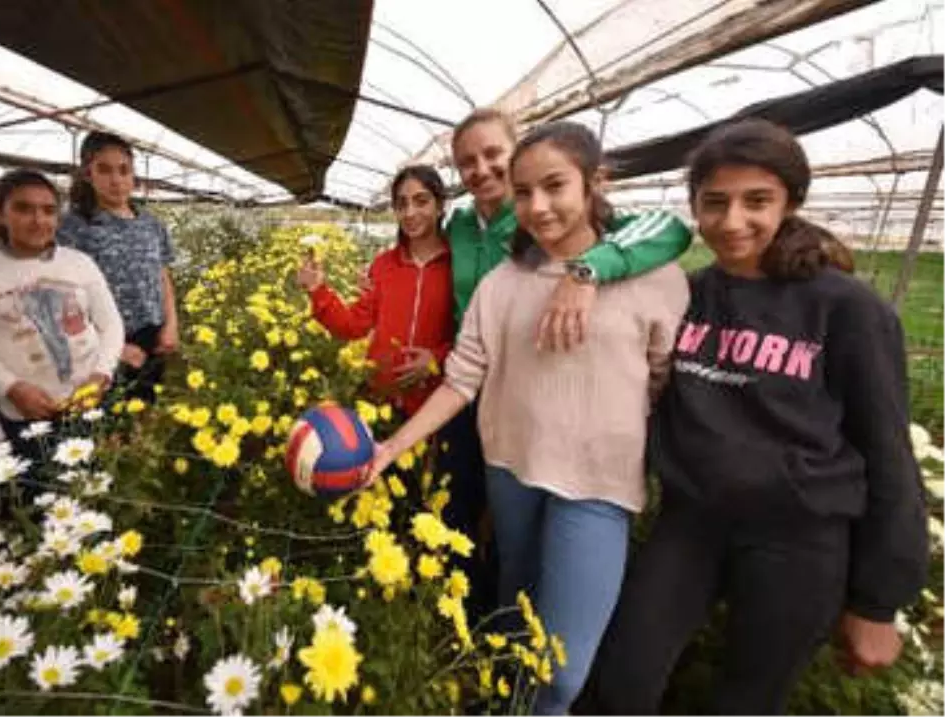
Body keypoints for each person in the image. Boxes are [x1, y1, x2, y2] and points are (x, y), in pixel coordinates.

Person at [590, 120, 929, 717]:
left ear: (791, 203)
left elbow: (888, 452)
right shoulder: (684, 293)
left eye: (757, 201)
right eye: (714, 202)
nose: (731, 220)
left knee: (747, 702)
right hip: (691, 523)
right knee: (621, 680)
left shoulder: (845, 308)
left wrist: (879, 601)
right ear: (694, 206)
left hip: (799, 537)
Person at [367, 122, 689, 714]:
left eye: (555, 186)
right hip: (510, 469)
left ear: (595, 183)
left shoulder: (657, 280)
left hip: (597, 485)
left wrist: (587, 275)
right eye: (524, 193)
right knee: (516, 610)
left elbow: (665, 380)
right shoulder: (502, 283)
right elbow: (462, 377)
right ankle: (503, 702)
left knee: (562, 670)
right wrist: (393, 446)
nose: (538, 207)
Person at [437, 107, 694, 621]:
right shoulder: (460, 226)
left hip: (587, 451)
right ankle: (494, 642)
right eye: (467, 162)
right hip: (488, 396)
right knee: (496, 541)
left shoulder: (595, 232)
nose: (481, 170)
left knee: (560, 609)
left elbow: (669, 228)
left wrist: (585, 271)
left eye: (493, 155)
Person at [0, 170, 124, 486]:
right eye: (23, 208)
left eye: (48, 210)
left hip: (87, 401)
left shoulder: (78, 263)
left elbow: (110, 325)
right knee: (37, 489)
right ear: (0, 214)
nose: (38, 220)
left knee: (93, 484)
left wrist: (101, 374)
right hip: (25, 412)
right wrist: (12, 388)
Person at [296, 164, 454, 418]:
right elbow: (352, 326)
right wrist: (318, 291)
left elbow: (472, 336)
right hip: (379, 401)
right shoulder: (383, 265)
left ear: (440, 206)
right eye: (401, 204)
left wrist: (437, 358)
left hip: (435, 405)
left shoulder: (458, 265)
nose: (410, 212)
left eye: (421, 201)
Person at [57, 131, 179, 403]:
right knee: (109, 422)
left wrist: (171, 324)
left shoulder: (150, 224)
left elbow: (163, 276)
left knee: (145, 409)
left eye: (124, 170)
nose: (116, 180)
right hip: (102, 340)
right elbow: (63, 296)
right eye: (105, 170)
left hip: (153, 334)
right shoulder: (74, 227)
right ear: (88, 174)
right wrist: (112, 348)